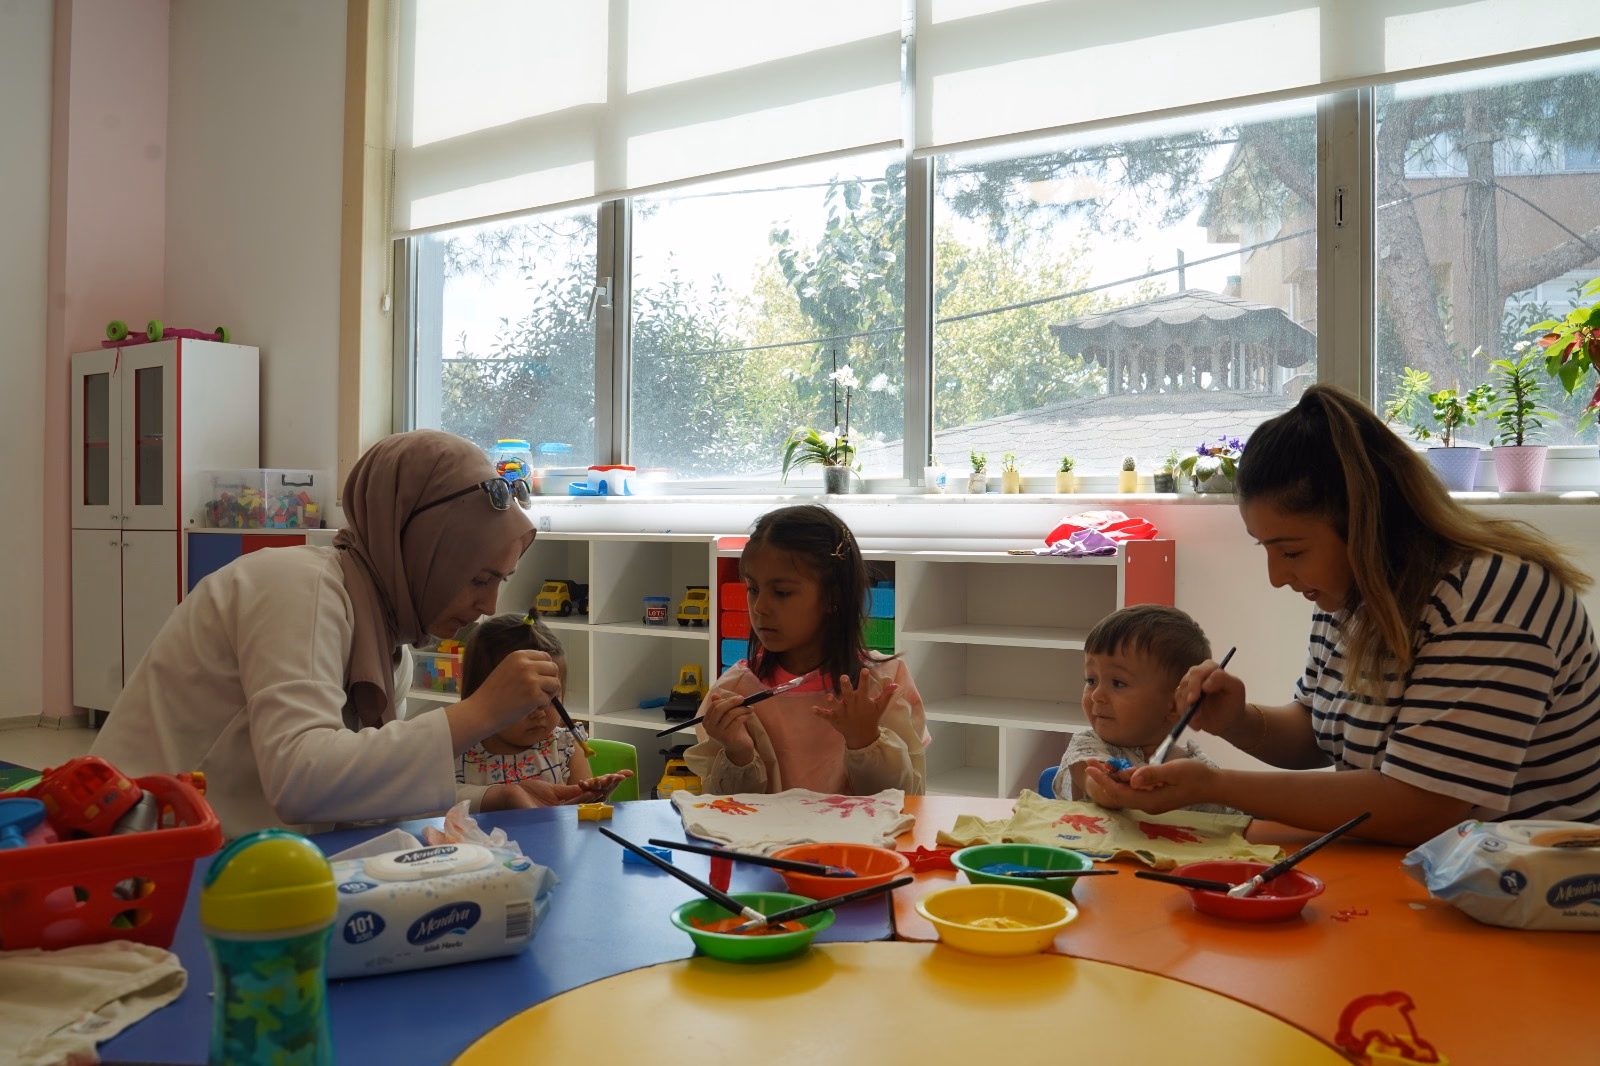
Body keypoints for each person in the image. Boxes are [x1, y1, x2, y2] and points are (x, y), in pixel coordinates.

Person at [1085, 385, 1600, 844]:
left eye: (1290, 551)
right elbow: (1319, 734)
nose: (1276, 576)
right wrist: (1238, 720)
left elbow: (1423, 806)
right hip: (1424, 869)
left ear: (1367, 523)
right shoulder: (1353, 597)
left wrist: (1219, 786)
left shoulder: (1492, 599)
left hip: (1540, 892)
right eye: (1265, 549)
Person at [93, 429, 580, 838]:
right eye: (478, 579)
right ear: (425, 549)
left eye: (501, 582)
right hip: (137, 860)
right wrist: (481, 712)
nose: (489, 607)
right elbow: (301, 780)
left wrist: (490, 799)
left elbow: (359, 789)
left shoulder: (390, 646)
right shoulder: (298, 586)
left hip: (235, 859)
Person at [686, 504, 929, 795]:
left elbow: (908, 799)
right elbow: (724, 810)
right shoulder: (735, 691)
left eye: (782, 592)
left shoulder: (883, 685)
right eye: (753, 589)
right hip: (767, 842)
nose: (760, 607)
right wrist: (739, 753)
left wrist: (866, 740)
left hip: (854, 842)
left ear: (833, 596)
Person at [1055, 605, 1235, 814]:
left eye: (1118, 683)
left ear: (1176, 703)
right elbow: (1097, 785)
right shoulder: (1087, 746)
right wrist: (1115, 785)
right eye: (1091, 680)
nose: (1096, 695)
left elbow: (1228, 829)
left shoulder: (1201, 772)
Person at [454, 613, 632, 806]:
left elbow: (581, 812)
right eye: (524, 699)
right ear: (480, 695)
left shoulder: (566, 747)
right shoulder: (457, 751)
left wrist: (592, 797)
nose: (538, 712)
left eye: (550, 695)